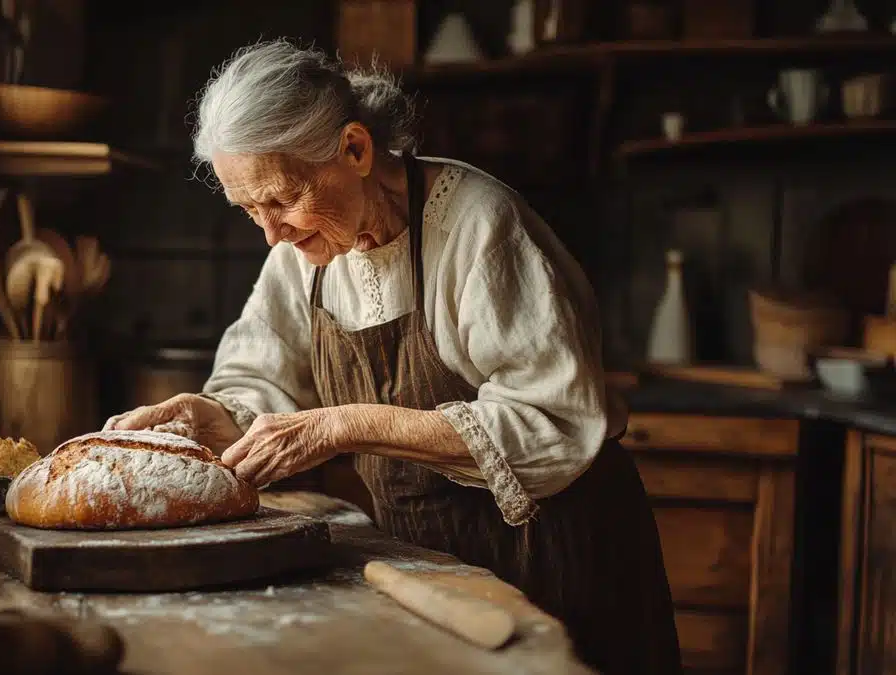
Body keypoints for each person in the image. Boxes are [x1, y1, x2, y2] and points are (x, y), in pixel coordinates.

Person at [104, 39, 681, 674]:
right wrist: (215, 415)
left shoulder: (474, 225)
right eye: (249, 211)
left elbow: (554, 420)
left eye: (281, 200)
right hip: (428, 569)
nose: (271, 233)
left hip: (553, 554)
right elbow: (262, 379)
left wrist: (345, 424)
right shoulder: (303, 251)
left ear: (354, 149)